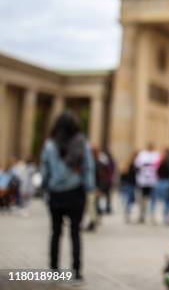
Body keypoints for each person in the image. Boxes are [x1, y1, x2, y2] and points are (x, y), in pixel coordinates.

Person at [40, 111, 95, 281]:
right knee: (75, 233)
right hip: (75, 193)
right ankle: (76, 271)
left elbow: (45, 170)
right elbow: (88, 168)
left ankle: (54, 269)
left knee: (55, 232)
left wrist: (45, 187)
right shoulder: (81, 143)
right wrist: (89, 188)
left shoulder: (49, 145)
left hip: (55, 194)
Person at [134, 143, 160, 224]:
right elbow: (137, 165)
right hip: (143, 181)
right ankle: (142, 215)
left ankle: (152, 216)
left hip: (153, 181)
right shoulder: (142, 154)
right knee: (142, 199)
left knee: (153, 199)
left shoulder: (156, 155)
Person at [152, 148, 169, 225]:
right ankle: (165, 218)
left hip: (160, 182)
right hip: (168, 182)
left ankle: (154, 216)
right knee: (167, 201)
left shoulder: (159, 162)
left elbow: (156, 171)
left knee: (157, 200)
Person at [120, 151, 138, 223]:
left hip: (129, 184)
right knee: (129, 200)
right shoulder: (132, 166)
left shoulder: (130, 165)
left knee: (129, 200)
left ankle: (127, 214)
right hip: (130, 185)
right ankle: (127, 215)